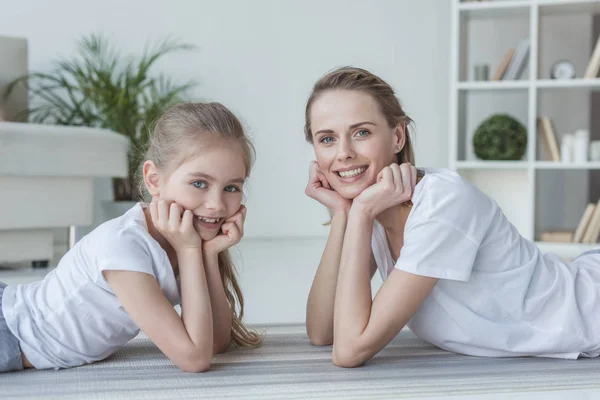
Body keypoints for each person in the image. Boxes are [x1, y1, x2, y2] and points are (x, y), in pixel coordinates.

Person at [303, 66, 600, 368]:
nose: (343, 153)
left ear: (397, 137)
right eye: (327, 139)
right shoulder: (374, 207)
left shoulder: (441, 203)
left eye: (361, 132)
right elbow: (322, 331)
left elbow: (350, 351)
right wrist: (343, 214)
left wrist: (361, 212)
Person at [0, 102, 262, 373]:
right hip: (8, 331)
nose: (217, 205)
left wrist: (206, 255)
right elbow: (195, 358)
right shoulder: (124, 246)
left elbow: (215, 343)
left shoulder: (186, 241)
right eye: (199, 184)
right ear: (154, 179)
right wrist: (189, 250)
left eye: (231, 187)